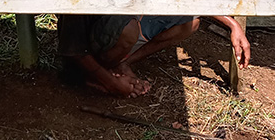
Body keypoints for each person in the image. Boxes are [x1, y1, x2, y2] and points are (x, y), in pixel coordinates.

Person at [56, 15, 249, 97]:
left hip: (124, 20)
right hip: (92, 43)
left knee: (191, 23)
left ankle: (120, 63)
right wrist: (111, 84)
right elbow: (73, 51)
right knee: (129, 30)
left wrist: (232, 24)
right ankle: (94, 76)